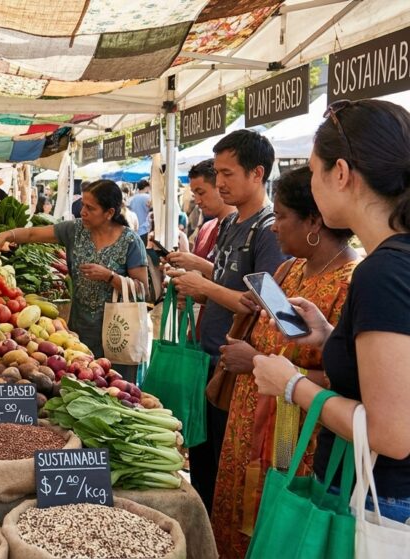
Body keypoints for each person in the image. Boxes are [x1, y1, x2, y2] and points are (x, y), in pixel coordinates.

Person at [252, 99, 410, 524]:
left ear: (340, 174)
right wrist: (329, 336)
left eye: (314, 169)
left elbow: (391, 435)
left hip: (377, 504)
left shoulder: (383, 271)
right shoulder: (394, 262)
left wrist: (292, 386)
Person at [211, 167, 358, 558]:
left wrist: (256, 359)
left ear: (314, 221)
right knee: (235, 526)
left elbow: (351, 380)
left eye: (282, 216)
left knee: (279, 528)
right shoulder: (286, 270)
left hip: (295, 439)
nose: (274, 228)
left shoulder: (351, 283)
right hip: (247, 423)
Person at [165, 129, 287, 512]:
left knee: (225, 472)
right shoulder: (232, 224)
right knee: (203, 465)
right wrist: (199, 282)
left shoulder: (268, 231)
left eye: (228, 173)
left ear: (257, 173)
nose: (219, 182)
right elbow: (226, 280)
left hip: (239, 371)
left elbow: (263, 306)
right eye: (217, 172)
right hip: (209, 360)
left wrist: (206, 286)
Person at [0, 180, 148, 368]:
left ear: (109, 213)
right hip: (78, 332)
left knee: (115, 389)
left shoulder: (130, 241)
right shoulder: (75, 230)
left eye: (90, 208)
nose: (82, 212)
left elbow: (142, 289)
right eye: (82, 205)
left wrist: (110, 276)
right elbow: (32, 234)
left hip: (119, 333)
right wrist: (5, 235)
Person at [166, 160, 237, 277]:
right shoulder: (206, 228)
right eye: (195, 194)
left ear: (220, 186)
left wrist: (196, 263)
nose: (197, 201)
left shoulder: (241, 229)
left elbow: (236, 282)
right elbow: (198, 276)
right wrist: (182, 270)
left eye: (201, 193)